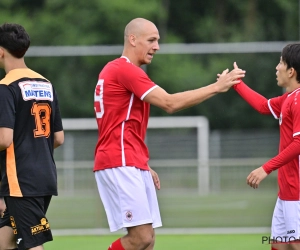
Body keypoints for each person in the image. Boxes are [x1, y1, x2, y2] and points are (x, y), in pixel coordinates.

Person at [93, 17, 245, 250]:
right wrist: (217, 87)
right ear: (133, 39)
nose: (157, 46)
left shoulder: (121, 70)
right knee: (140, 238)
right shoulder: (124, 70)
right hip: (119, 159)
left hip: (129, 159)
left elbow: (121, 124)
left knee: (148, 240)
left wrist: (142, 164)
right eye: (151, 40)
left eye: (158, 40)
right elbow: (169, 103)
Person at [0, 23, 64, 250]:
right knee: (5, 242)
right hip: (45, 176)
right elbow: (58, 138)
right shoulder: (46, 84)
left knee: (31, 244)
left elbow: (4, 139)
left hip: (22, 182)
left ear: (1, 51)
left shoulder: (6, 87)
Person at [231, 43, 300, 250]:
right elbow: (263, 106)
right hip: (286, 194)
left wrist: (265, 168)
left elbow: (299, 143)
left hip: (297, 195)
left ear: (291, 71)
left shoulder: (299, 100)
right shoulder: (288, 98)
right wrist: (237, 83)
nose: (276, 67)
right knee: (279, 245)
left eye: (280, 62)